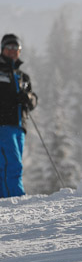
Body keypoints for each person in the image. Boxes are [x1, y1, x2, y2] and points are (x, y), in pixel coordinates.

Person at [0, 34, 37, 198]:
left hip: (19, 126)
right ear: (3, 49)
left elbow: (33, 99)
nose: (13, 51)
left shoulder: (23, 77)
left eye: (16, 48)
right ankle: (15, 199)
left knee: (6, 164)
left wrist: (28, 98)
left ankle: (4, 200)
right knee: (13, 164)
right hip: (3, 124)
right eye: (9, 47)